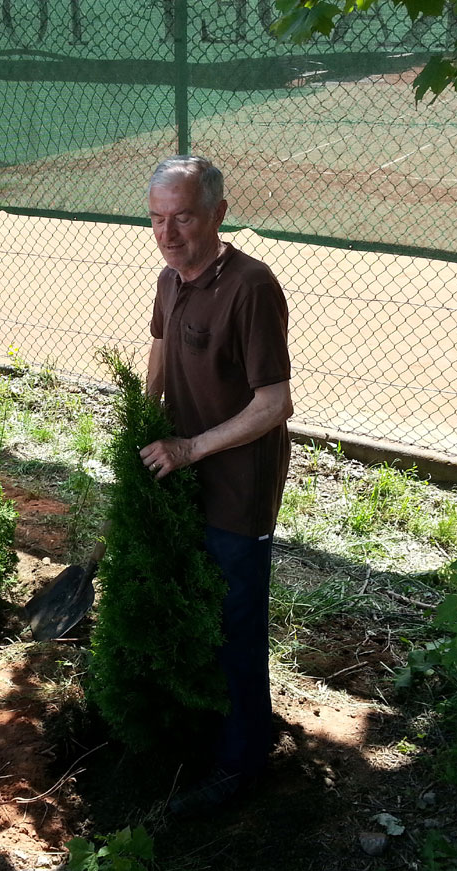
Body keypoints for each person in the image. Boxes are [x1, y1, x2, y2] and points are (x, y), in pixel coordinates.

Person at [138, 155, 293, 814]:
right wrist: (143, 419)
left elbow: (275, 404)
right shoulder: (170, 279)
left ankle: (242, 763)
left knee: (235, 627)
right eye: (157, 219)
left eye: (183, 218)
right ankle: (216, 729)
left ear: (218, 215)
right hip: (181, 475)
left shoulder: (251, 287)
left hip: (234, 488)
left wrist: (190, 448)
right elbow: (159, 347)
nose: (168, 234)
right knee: (195, 611)